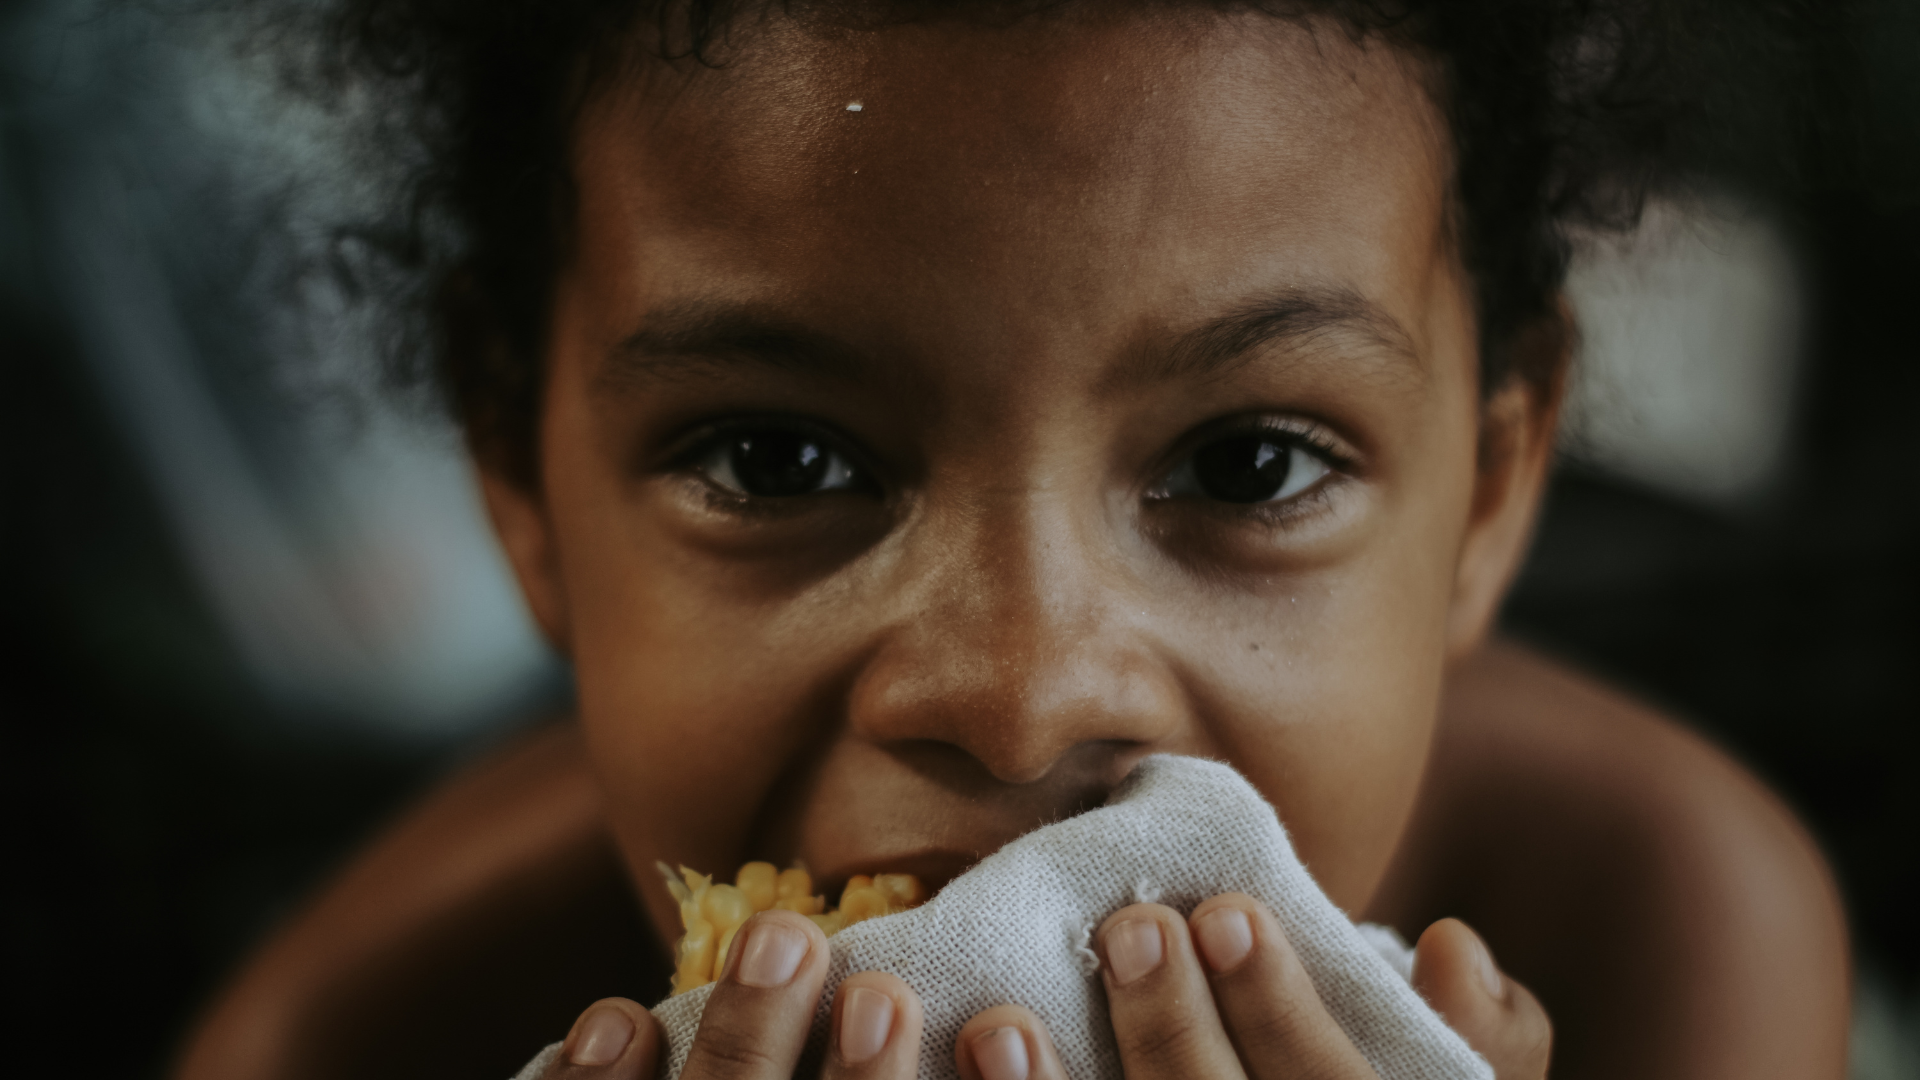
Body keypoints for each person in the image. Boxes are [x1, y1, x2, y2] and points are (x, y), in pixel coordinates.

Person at [176, 3, 1851, 1078]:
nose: (1025, 695)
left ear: (1488, 492)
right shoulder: (352, 1033)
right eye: (777, 457)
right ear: (519, 480)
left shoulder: (1673, 917)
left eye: (1251, 464)